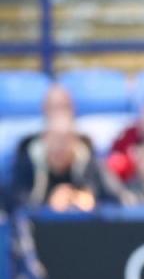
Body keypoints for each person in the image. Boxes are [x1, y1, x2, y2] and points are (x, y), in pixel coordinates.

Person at [11, 84, 114, 213]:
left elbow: (117, 200)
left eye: (66, 140)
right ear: (45, 138)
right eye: (55, 140)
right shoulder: (26, 153)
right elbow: (15, 204)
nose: (60, 147)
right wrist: (48, 203)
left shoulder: (88, 153)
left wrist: (91, 199)